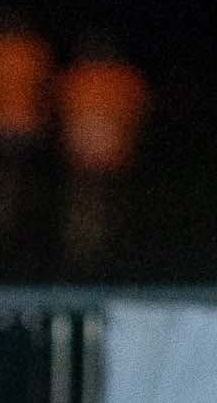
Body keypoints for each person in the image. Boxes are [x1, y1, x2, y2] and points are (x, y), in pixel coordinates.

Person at [53, 26, 148, 269]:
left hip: (90, 149)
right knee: (100, 199)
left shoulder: (80, 77)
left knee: (89, 199)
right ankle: (95, 248)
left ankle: (90, 247)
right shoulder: (120, 78)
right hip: (105, 150)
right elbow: (137, 111)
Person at [0, 8, 53, 252]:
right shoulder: (28, 50)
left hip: (9, 124)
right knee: (10, 177)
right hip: (15, 124)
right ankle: (2, 226)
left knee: (3, 177)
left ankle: (0, 226)